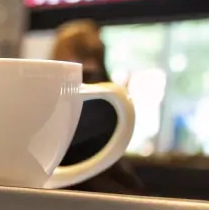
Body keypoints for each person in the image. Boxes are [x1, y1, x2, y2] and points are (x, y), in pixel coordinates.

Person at [51, 20, 144, 195]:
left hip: (92, 193)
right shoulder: (108, 93)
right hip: (95, 191)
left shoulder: (98, 96)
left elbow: (65, 143)